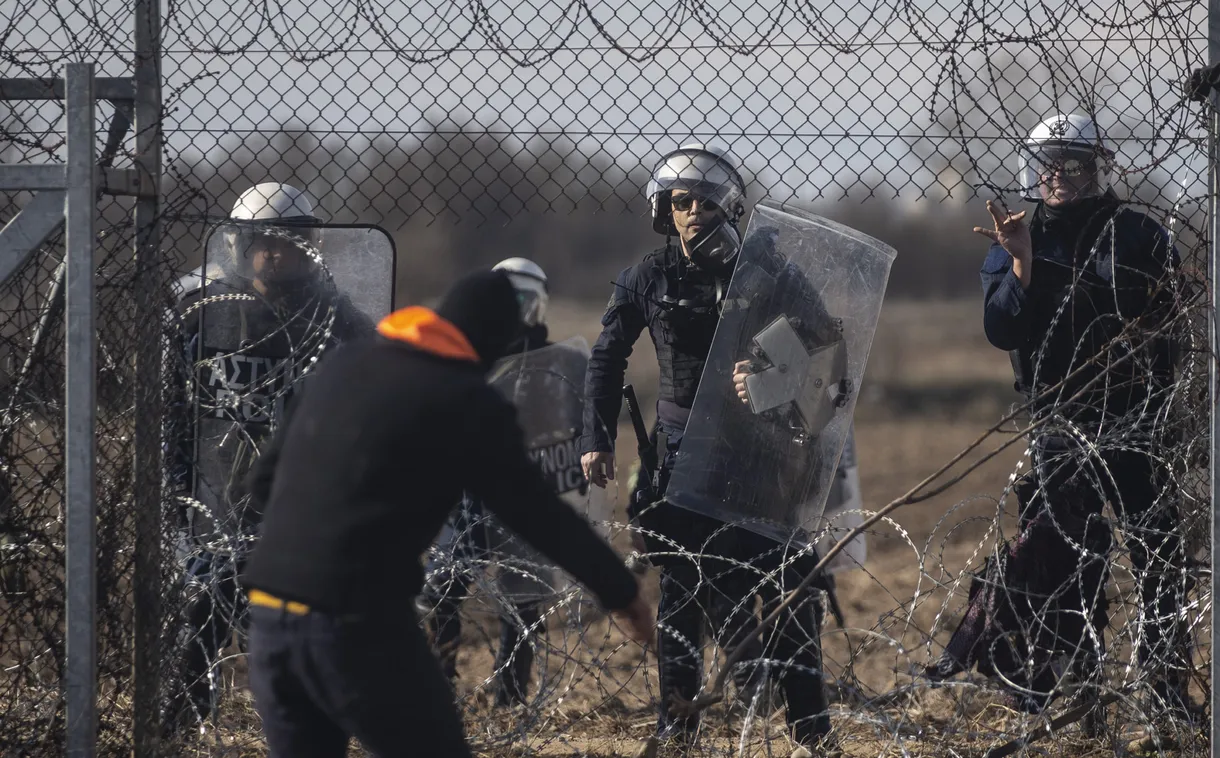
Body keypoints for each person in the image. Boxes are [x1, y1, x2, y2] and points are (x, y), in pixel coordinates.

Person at [239, 269, 654, 758]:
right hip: (355, 623)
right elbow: (537, 513)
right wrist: (623, 593)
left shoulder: (346, 363)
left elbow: (263, 483)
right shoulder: (466, 400)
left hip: (268, 618)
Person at [926, 113, 1197, 722]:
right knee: (1066, 556)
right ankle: (1079, 688)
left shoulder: (1136, 234)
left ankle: (1163, 686)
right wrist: (1021, 262)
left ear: (1095, 169)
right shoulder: (1017, 236)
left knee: (1157, 554)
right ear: (1034, 171)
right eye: (1048, 165)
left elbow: (1173, 321)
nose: (1059, 178)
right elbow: (1002, 330)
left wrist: (1159, 383)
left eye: (1073, 165)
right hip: (1058, 422)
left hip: (1134, 418)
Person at [581, 143, 835, 757]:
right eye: (679, 202)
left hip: (763, 455)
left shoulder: (770, 272)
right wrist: (595, 439)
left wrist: (774, 380)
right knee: (682, 596)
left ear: (730, 207)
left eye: (703, 201)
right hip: (680, 460)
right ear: (664, 211)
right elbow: (607, 356)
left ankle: (811, 734)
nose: (691, 212)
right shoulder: (648, 275)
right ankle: (678, 727)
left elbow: (830, 353)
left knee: (787, 589)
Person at [166, 181, 377, 725]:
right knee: (201, 616)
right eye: (261, 241)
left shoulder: (339, 322)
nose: (273, 253)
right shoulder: (201, 313)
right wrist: (174, 486)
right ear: (237, 244)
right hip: (214, 495)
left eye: (287, 241)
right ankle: (185, 723)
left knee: (292, 634)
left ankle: (300, 726)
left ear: (311, 246)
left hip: (300, 505)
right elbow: (170, 407)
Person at [419, 257, 587, 707]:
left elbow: (574, 422)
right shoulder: (465, 355)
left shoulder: (558, 361)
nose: (515, 312)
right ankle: (438, 680)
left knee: (523, 598)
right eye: (508, 299)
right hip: (466, 494)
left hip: (526, 489)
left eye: (524, 300)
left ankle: (510, 694)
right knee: (444, 588)